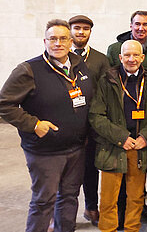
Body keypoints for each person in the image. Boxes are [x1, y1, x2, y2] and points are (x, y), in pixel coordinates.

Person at [0, 19, 93, 232]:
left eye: (62, 39)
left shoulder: (79, 66)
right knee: (44, 202)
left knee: (69, 197)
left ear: (71, 42)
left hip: (76, 148)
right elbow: (4, 104)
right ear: (45, 41)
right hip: (45, 152)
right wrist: (33, 124)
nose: (58, 43)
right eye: (52, 39)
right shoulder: (29, 70)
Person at [89, 40, 147, 232]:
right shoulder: (106, 80)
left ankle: (131, 228)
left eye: (136, 55)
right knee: (108, 199)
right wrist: (121, 137)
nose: (131, 59)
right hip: (113, 147)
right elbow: (96, 115)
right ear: (120, 57)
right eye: (127, 55)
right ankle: (108, 229)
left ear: (142, 57)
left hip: (139, 147)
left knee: (136, 198)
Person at [68, 14, 110, 227]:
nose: (81, 32)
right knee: (67, 171)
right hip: (67, 124)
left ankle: (91, 207)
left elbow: (106, 92)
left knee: (91, 168)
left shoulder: (100, 59)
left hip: (93, 124)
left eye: (85, 28)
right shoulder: (60, 56)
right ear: (70, 30)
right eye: (77, 28)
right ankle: (66, 212)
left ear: (90, 32)